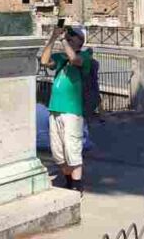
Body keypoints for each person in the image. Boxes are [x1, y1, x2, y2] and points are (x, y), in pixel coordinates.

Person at [40, 23, 93, 194]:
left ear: (81, 41)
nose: (69, 37)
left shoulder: (85, 56)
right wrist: (54, 37)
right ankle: (69, 181)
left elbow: (74, 60)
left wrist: (64, 40)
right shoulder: (61, 57)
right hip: (54, 109)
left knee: (72, 148)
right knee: (58, 152)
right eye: (68, 35)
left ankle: (77, 186)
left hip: (72, 110)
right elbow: (44, 60)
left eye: (73, 36)